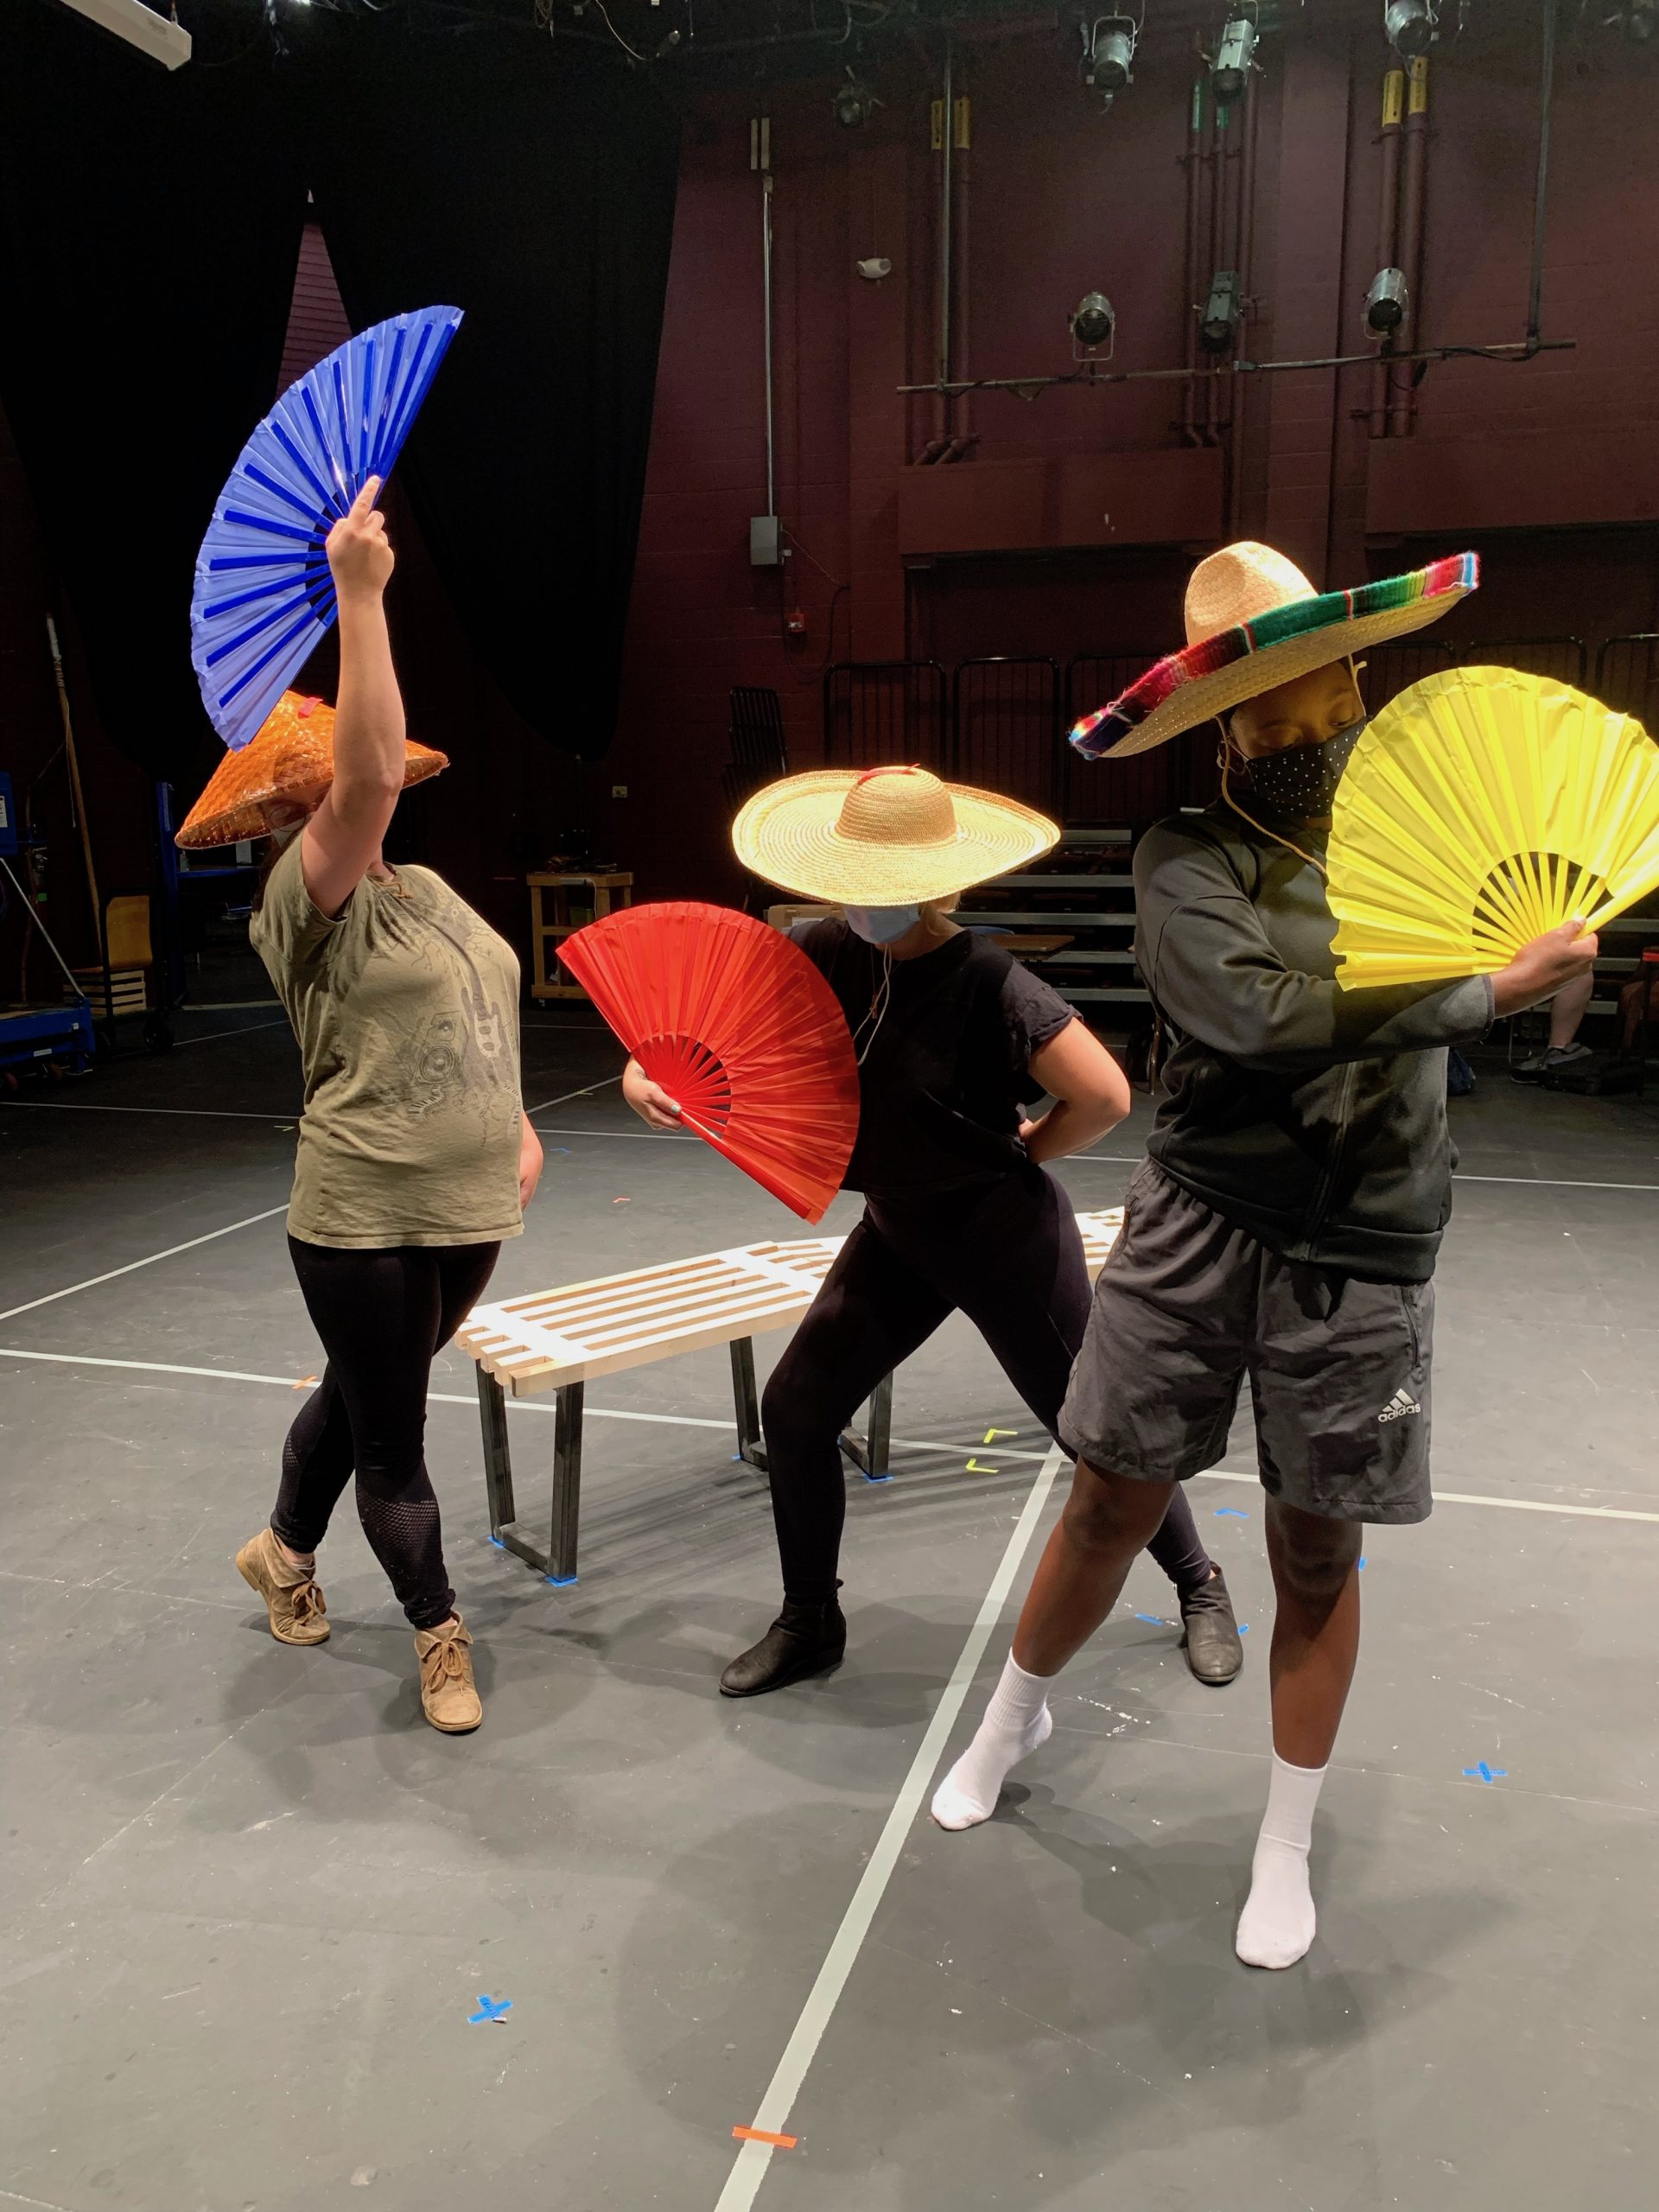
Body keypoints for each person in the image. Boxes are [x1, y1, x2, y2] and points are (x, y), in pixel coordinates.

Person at [932, 542, 1598, 1968]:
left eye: (1317, 695)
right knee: (1109, 1501)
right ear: (1217, 725)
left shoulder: (1437, 843)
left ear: (1358, 680)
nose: (1296, 730)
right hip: (1202, 1220)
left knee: (1316, 1547)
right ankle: (1012, 1716)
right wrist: (1479, 991)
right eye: (1262, 710)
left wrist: (1542, 967)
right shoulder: (1190, 855)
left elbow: (1527, 961)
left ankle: (1284, 1845)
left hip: (1368, 1240)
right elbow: (1255, 1019)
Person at [622, 765, 1243, 1696]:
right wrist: (644, 1071)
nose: (864, 902)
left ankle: (1200, 1584)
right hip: (900, 1231)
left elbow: (1107, 1094)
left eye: (883, 885)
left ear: (933, 882)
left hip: (1002, 1236)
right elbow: (710, 1024)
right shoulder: (829, 948)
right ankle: (810, 1620)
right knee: (794, 1413)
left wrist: (1032, 1151)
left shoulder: (990, 980)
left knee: (1099, 1438)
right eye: (853, 880)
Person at [175, 480, 544, 1735]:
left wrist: (520, 1122)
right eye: (323, 782)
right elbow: (374, 774)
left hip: (469, 1201)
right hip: (362, 1214)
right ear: (293, 806)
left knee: (354, 1391)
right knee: (392, 1440)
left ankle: (280, 1550)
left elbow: (480, 1002)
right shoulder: (299, 895)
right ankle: (441, 1634)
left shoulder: (427, 885)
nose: (342, 791)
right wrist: (361, 595)